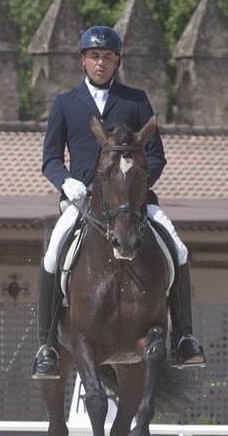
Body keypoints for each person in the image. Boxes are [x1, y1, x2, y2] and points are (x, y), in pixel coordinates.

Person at [32, 24, 205, 380]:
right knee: (51, 256)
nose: (101, 63)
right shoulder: (65, 104)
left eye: (107, 57)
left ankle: (184, 337)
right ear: (83, 60)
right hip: (83, 203)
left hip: (133, 202)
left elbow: (155, 156)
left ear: (117, 61)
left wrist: (136, 191)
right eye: (94, 56)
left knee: (180, 250)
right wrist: (66, 183)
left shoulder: (136, 100)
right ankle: (47, 345)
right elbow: (50, 157)